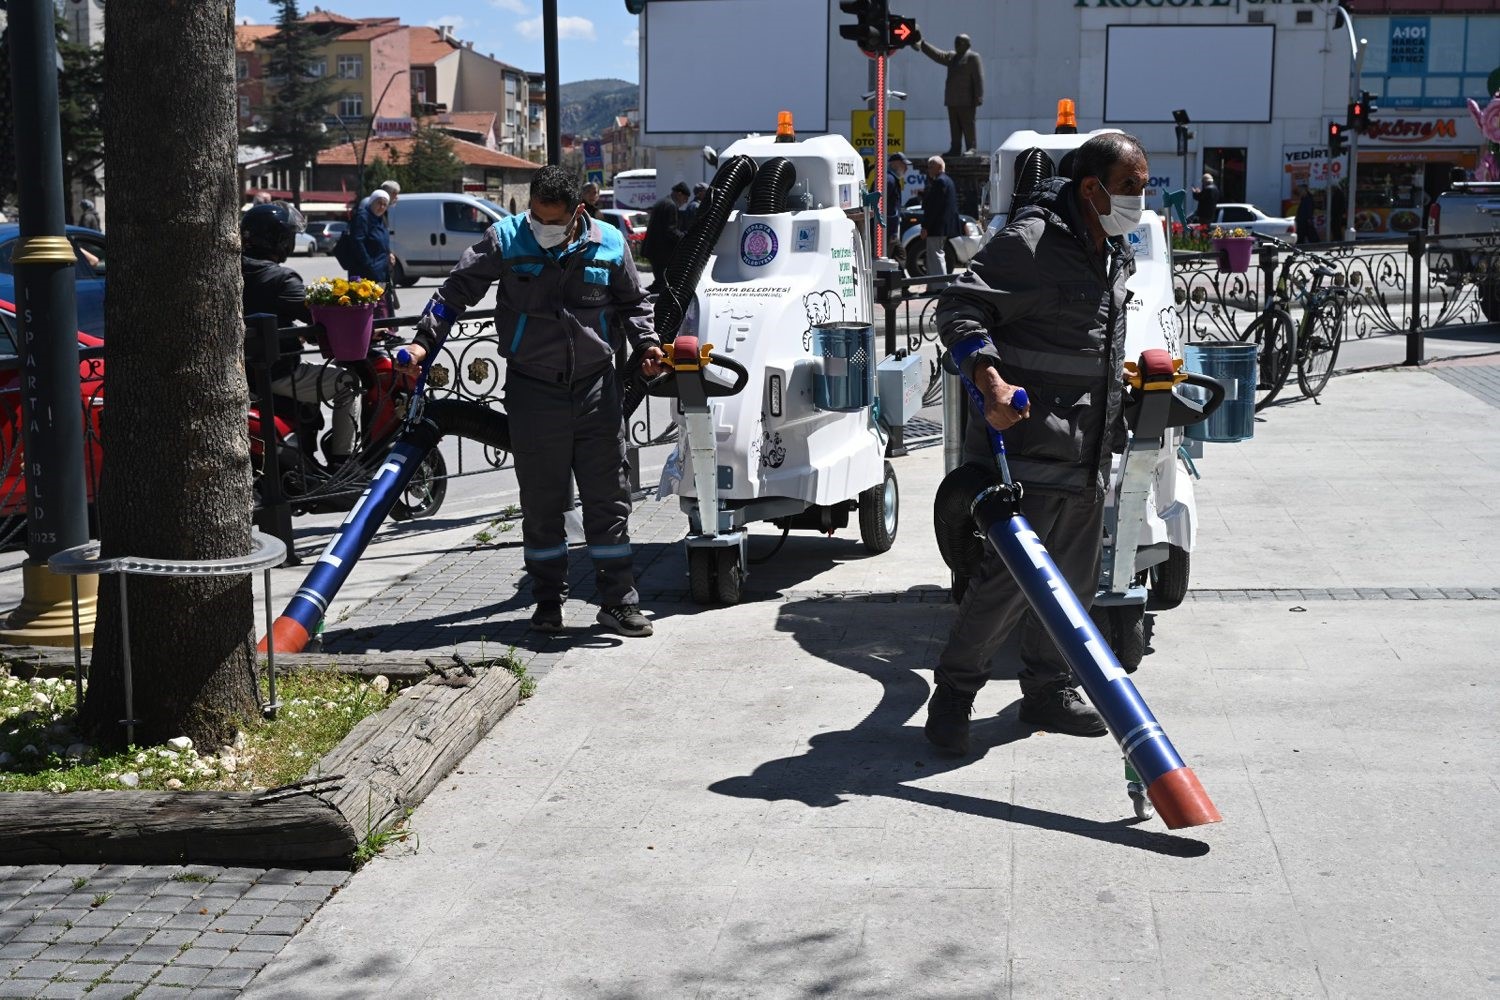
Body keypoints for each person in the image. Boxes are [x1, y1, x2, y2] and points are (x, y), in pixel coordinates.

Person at [923, 131, 1150, 753]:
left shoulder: (1111, 248)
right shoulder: (1033, 241)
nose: (1140, 198)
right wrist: (991, 381)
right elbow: (959, 307)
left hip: (1086, 450)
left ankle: (1048, 690)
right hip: (1025, 451)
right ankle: (954, 696)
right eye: (1130, 186)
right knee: (1004, 587)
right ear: (1091, 188)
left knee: (1072, 587)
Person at [397, 165, 666, 638]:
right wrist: (422, 343)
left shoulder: (608, 242)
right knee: (542, 501)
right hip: (533, 388)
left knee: (608, 498)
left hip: (596, 390)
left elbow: (634, 304)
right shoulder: (506, 239)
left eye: (553, 220)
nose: (543, 227)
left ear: (577, 211)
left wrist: (647, 345)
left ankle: (618, 602)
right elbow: (454, 292)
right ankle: (547, 603)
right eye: (536, 217)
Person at [240, 202, 359, 467]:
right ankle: (343, 461)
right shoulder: (280, 278)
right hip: (278, 372)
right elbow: (317, 315)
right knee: (349, 383)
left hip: (246, 371)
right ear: (280, 239)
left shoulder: (232, 269)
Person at [918, 33, 984, 157]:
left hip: (967, 100)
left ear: (967, 45)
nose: (956, 45)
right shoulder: (952, 57)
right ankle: (955, 148)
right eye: (956, 42)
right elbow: (937, 55)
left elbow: (978, 78)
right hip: (952, 99)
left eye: (959, 42)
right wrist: (922, 44)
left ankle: (971, 147)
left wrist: (979, 97)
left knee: (968, 125)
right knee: (954, 127)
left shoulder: (973, 57)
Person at [348, 188, 394, 315]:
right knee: (372, 308)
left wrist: (389, 253)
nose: (382, 207)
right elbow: (358, 242)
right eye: (379, 203)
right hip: (367, 272)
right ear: (372, 202)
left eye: (385, 204)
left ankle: (385, 326)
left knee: (382, 305)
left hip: (381, 271)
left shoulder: (380, 219)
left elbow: (382, 241)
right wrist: (369, 264)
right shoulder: (362, 217)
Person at [642, 181, 690, 292]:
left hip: (654, 250)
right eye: (685, 199)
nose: (685, 202)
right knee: (662, 284)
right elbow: (670, 230)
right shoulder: (671, 205)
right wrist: (684, 237)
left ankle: (642, 295)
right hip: (661, 252)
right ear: (679, 194)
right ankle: (642, 297)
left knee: (660, 282)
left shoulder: (663, 202)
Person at [920, 156, 962, 277]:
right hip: (942, 227)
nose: (928, 169)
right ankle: (934, 284)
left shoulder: (939, 182)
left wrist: (925, 226)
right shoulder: (948, 180)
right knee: (935, 256)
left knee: (935, 256)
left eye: (931, 166)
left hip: (936, 227)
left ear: (939, 167)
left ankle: (940, 284)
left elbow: (934, 208)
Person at [885, 153, 909, 261]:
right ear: (895, 164)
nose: (906, 168)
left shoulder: (892, 179)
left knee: (900, 255)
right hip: (887, 230)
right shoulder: (889, 180)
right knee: (887, 257)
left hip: (891, 229)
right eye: (904, 165)